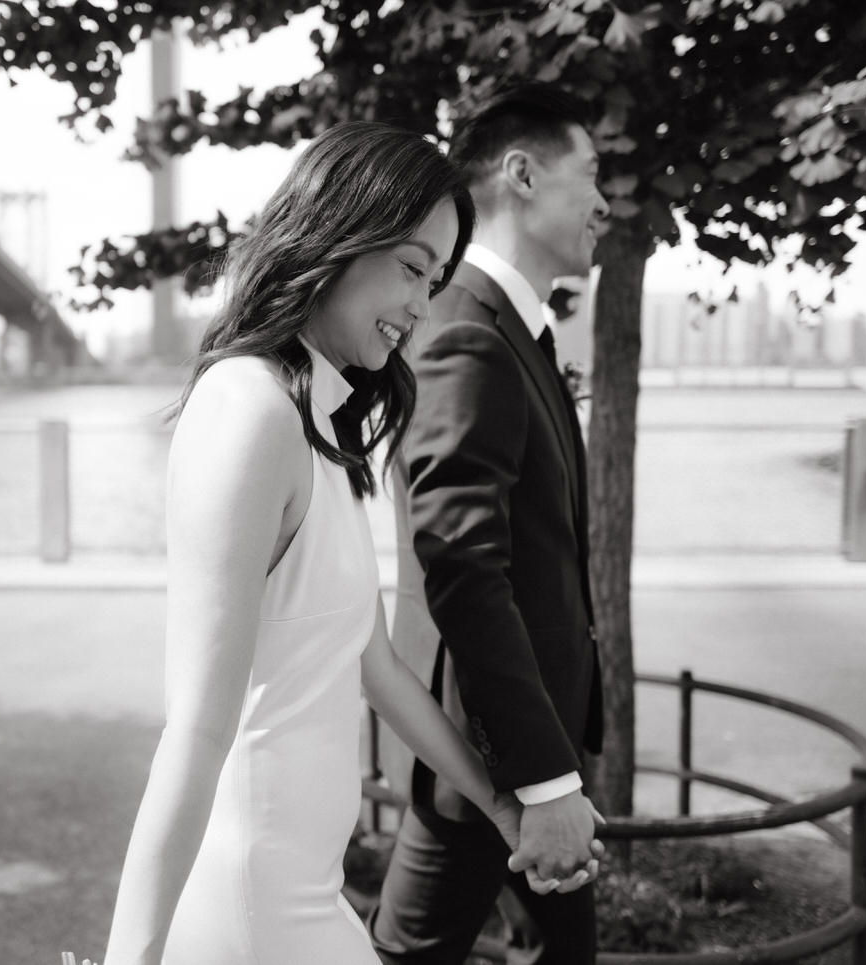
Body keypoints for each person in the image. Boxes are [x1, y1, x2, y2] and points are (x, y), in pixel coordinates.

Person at [100, 121, 551, 965]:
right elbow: (197, 727)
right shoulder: (248, 410)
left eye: (439, 277)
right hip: (254, 901)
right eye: (413, 269)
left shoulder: (320, 422)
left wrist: (500, 805)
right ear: (339, 236)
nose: (423, 305)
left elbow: (373, 662)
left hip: (306, 889)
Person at [370, 84, 611, 965]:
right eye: (591, 174)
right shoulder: (468, 332)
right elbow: (463, 565)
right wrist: (544, 777)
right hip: (488, 755)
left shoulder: (516, 330)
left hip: (530, 738)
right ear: (520, 174)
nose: (604, 202)